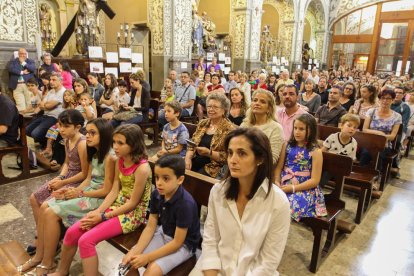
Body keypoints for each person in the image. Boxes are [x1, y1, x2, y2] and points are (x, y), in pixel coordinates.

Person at [17, 119, 114, 274]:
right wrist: (69, 193)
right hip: (87, 192)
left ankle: (48, 262)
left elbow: (107, 190)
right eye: (87, 132)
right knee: (45, 206)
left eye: (92, 133)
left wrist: (79, 192)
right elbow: (88, 179)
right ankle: (40, 256)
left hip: (97, 199)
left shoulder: (110, 157)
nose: (87, 136)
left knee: (50, 212)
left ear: (104, 134)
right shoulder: (95, 154)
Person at [52, 124, 152, 276]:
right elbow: (114, 191)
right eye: (114, 142)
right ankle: (61, 272)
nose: (115, 147)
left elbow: (133, 203)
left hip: (133, 214)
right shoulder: (120, 160)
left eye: (120, 143)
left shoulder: (142, 168)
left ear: (133, 144)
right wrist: (97, 212)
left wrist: (103, 216)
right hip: (115, 206)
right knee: (72, 232)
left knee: (86, 241)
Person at [190, 128, 290, 275]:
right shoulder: (218, 191)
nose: (232, 160)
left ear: (260, 158)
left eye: (241, 153)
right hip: (215, 268)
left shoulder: (278, 202)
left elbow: (268, 262)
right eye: (230, 153)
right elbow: (211, 240)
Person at [121, 154, 200, 275]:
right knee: (130, 261)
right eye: (157, 177)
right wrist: (135, 251)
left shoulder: (185, 204)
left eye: (166, 178)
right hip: (164, 234)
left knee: (152, 270)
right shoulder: (156, 195)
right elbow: (151, 227)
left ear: (180, 180)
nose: (159, 183)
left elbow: (177, 242)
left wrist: (148, 257)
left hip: (183, 245)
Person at [274, 113, 327, 221]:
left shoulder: (315, 151)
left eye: (301, 129)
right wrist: (276, 181)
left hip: (304, 188)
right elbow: (279, 168)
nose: (297, 132)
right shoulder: (287, 145)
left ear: (311, 130)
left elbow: (315, 180)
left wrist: (293, 188)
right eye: (295, 128)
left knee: (289, 203)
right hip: (285, 182)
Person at [185, 93, 234, 178]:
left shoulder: (229, 129)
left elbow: (228, 157)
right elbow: (191, 144)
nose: (211, 109)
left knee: (196, 179)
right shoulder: (203, 123)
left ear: (224, 110)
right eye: (209, 106)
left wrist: (209, 153)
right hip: (196, 158)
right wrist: (188, 158)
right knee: (176, 168)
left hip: (215, 166)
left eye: (215, 107)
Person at [362, 89, 402, 171]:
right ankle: (361, 174)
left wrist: (381, 137)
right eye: (383, 98)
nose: (385, 101)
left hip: (385, 144)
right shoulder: (371, 111)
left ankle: (377, 176)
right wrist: (379, 133)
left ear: (392, 100)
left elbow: (392, 136)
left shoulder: (397, 116)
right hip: (370, 141)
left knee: (378, 154)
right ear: (379, 99)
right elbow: (365, 129)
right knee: (366, 153)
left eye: (388, 98)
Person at [240, 89, 284, 164]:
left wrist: (249, 163)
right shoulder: (245, 124)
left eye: (262, 102)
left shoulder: (276, 128)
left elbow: (272, 158)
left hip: (261, 170)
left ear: (269, 108)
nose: (257, 103)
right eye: (255, 100)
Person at [26, 72, 66, 147]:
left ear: (60, 81)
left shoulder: (63, 92)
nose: (51, 82)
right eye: (50, 80)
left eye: (54, 80)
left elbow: (48, 106)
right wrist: (46, 105)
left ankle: (47, 143)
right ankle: (44, 142)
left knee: (35, 134)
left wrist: (46, 105)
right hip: (45, 115)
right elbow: (41, 104)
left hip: (54, 117)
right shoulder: (51, 91)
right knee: (27, 130)